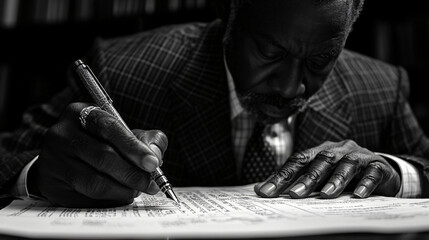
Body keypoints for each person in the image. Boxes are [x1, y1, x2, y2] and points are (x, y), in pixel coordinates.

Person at [1, 0, 428, 207]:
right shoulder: (125, 68)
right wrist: (39, 174)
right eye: (270, 54)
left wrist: (396, 171)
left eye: (320, 61)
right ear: (229, 14)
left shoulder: (380, 86)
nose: (291, 87)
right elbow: (6, 159)